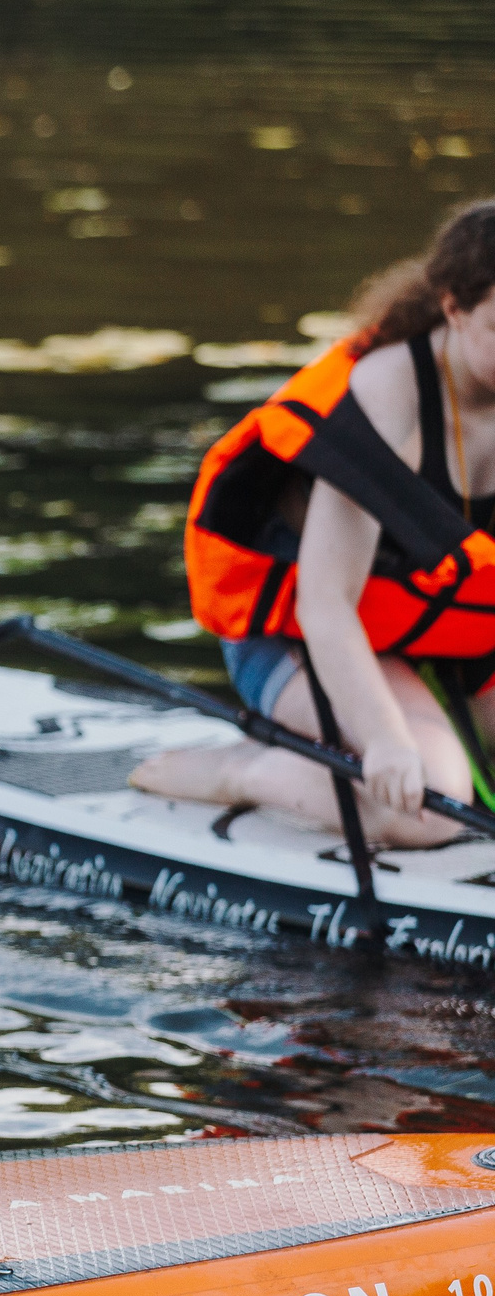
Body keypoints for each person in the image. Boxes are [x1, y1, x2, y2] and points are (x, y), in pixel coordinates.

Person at [135, 199, 495, 845]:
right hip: (299, 634)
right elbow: (326, 603)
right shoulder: (390, 396)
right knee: (433, 803)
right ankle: (240, 771)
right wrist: (386, 741)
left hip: (432, 634)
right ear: (453, 306)